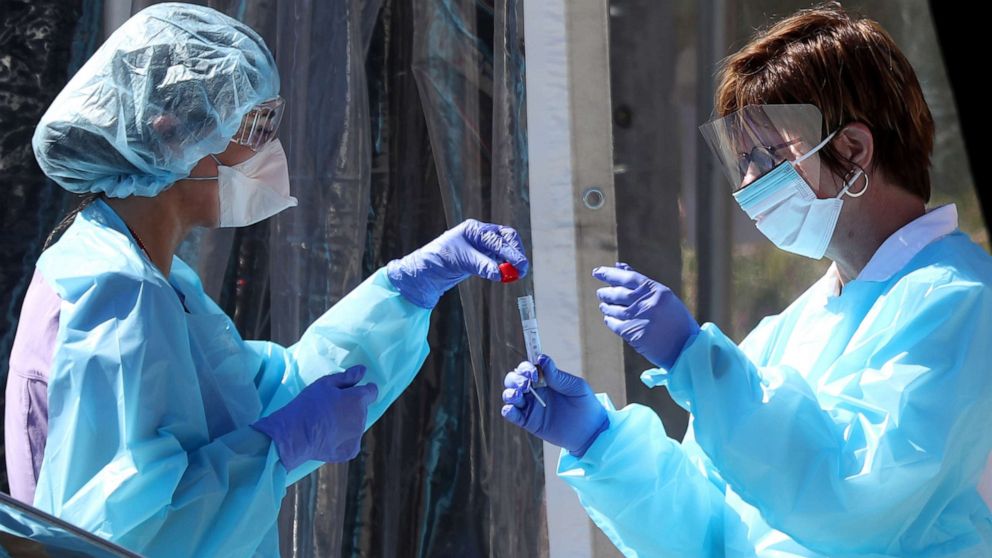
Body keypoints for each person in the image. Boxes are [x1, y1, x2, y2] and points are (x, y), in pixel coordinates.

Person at [4, 4, 528, 557]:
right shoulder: (116, 292)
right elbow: (117, 534)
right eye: (253, 125)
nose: (266, 151)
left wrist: (405, 290)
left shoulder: (158, 282)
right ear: (171, 130)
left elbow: (266, 396)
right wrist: (276, 448)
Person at [502, 4, 992, 557]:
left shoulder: (959, 299)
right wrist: (599, 443)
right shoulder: (791, 328)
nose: (750, 183)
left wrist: (696, 360)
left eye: (768, 156)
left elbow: (853, 499)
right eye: (742, 161)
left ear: (853, 149)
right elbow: (707, 535)